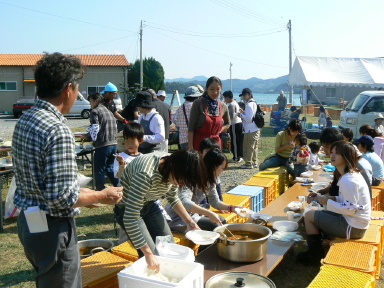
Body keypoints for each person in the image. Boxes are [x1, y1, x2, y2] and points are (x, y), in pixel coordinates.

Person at [12, 52, 123, 288]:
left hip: (30, 223)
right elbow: (62, 197)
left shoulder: (26, 118)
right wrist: (102, 195)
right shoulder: (57, 129)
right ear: (69, 88)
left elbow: (42, 180)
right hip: (53, 229)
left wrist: (86, 197)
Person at [118, 150, 208, 272]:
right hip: (127, 208)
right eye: (182, 180)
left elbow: (172, 197)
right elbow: (130, 217)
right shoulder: (145, 175)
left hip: (150, 203)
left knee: (168, 245)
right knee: (152, 254)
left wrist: (190, 222)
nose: (182, 183)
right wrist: (148, 254)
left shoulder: (174, 166)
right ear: (173, 166)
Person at [297, 141, 371, 265]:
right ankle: (319, 247)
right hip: (354, 222)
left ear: (346, 157)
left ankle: (314, 255)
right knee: (314, 212)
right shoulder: (349, 175)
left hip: (353, 227)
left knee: (309, 215)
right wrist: (322, 198)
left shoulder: (349, 180)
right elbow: (347, 203)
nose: (332, 155)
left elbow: (349, 209)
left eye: (337, 153)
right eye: (332, 152)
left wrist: (326, 201)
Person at [165, 148, 243, 233]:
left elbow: (215, 201)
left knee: (222, 221)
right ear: (214, 167)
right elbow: (184, 202)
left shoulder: (212, 179)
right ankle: (208, 246)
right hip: (179, 216)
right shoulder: (192, 176)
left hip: (194, 214)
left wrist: (232, 207)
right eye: (222, 168)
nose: (223, 171)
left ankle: (215, 245)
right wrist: (209, 213)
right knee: (214, 226)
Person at [311, 128, 372, 198]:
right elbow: (334, 188)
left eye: (327, 147)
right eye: (323, 146)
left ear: (338, 146)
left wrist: (321, 198)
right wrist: (320, 192)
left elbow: (336, 194)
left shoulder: (349, 169)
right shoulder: (345, 162)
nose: (324, 150)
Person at [84, 93, 119, 191]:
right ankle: (120, 186)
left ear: (96, 101)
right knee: (110, 168)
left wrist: (86, 136)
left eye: (90, 101)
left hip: (103, 145)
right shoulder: (108, 111)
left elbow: (95, 129)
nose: (90, 104)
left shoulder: (95, 111)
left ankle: (100, 191)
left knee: (99, 170)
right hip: (114, 144)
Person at [188, 76, 230, 151]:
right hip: (200, 144)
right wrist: (190, 146)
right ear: (206, 89)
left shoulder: (223, 106)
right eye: (212, 89)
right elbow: (191, 127)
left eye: (218, 89)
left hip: (215, 144)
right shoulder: (198, 103)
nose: (215, 92)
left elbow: (228, 123)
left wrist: (220, 130)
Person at [239, 88, 260, 169]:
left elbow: (248, 118)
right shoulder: (254, 103)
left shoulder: (249, 104)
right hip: (255, 128)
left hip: (249, 129)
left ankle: (248, 163)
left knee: (248, 147)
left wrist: (240, 115)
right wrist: (243, 112)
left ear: (249, 95)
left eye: (245, 95)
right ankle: (254, 162)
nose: (243, 97)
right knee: (254, 146)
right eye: (243, 95)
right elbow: (251, 115)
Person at [223, 90, 243, 163]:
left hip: (234, 124)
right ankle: (240, 156)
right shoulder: (235, 102)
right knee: (239, 141)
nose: (225, 100)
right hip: (239, 123)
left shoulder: (231, 105)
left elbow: (230, 116)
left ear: (228, 97)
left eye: (225, 98)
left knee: (234, 141)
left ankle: (236, 157)